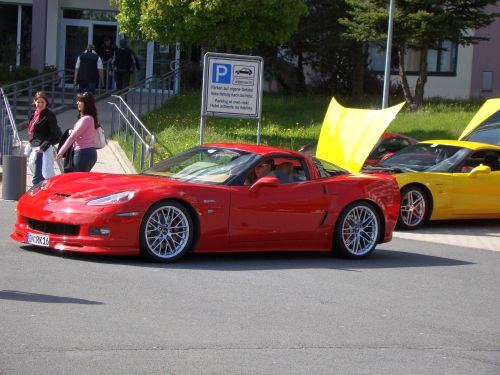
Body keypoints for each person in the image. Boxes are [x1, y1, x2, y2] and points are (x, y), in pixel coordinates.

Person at [56, 92, 98, 172]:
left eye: (79, 101)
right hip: (88, 152)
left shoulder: (86, 119)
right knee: (81, 179)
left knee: (77, 179)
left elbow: (73, 137)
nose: (77, 103)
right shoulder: (90, 118)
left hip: (82, 153)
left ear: (86, 104)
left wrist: (61, 151)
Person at [27, 91, 60, 185]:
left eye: (43, 102)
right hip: (35, 146)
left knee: (40, 176)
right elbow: (34, 132)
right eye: (38, 102)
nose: (40, 104)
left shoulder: (49, 115)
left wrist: (43, 147)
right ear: (34, 102)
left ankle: (39, 194)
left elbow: (53, 134)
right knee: (33, 168)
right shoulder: (35, 115)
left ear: (46, 103)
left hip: (43, 148)